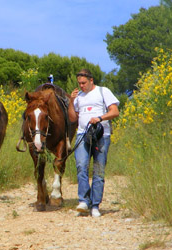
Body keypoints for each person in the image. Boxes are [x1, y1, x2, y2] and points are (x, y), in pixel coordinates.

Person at [68, 69, 119, 217]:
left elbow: (115, 111)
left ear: (91, 80)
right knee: (81, 166)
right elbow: (72, 118)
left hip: (102, 136)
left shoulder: (103, 91)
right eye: (79, 83)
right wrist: (72, 101)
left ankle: (95, 205)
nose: (81, 86)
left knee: (98, 170)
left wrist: (100, 118)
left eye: (84, 83)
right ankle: (83, 201)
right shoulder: (79, 97)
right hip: (82, 135)